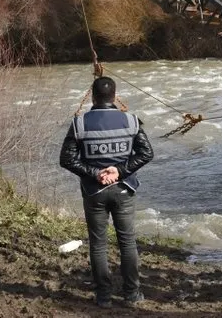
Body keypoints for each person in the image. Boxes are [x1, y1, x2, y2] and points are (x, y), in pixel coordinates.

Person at [60, 77, 154, 308]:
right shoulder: (131, 121)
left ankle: (103, 297)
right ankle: (132, 294)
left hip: (94, 192)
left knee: (98, 244)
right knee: (127, 242)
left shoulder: (79, 124)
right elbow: (146, 153)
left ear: (92, 96)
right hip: (124, 189)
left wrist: (95, 173)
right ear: (115, 95)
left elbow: (67, 159)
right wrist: (119, 171)